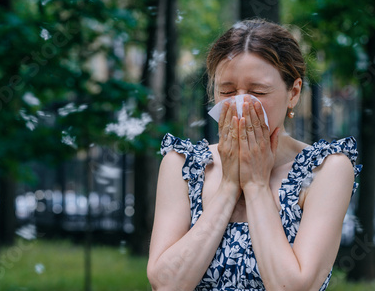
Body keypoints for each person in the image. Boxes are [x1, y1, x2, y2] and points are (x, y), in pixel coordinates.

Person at [147, 19, 362, 291]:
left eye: (258, 92)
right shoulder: (183, 164)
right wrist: (229, 187)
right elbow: (166, 285)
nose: (240, 103)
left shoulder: (325, 170)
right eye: (226, 91)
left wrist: (256, 184)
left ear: (293, 93)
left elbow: (293, 287)